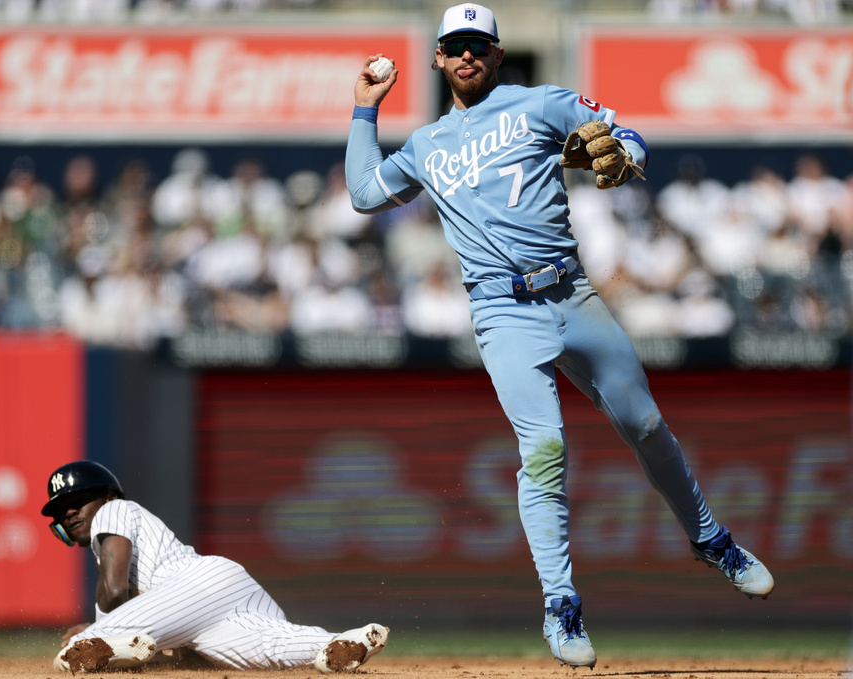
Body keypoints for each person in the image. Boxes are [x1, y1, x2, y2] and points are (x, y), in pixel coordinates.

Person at [344, 2, 773, 669]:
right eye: (454, 46)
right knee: (542, 448)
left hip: (572, 293)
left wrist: (623, 156)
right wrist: (365, 108)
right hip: (502, 311)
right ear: (437, 58)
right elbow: (365, 194)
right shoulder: (427, 145)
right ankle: (560, 601)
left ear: (496, 52)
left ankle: (711, 538)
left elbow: (624, 135)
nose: (466, 56)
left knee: (648, 425)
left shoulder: (539, 103)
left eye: (477, 46)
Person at [41, 460, 388, 674]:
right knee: (273, 648)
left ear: (109, 495)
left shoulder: (113, 511)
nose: (70, 512)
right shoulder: (115, 519)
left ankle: (119, 646)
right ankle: (346, 642)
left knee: (76, 655)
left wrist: (97, 632)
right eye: (62, 510)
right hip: (221, 599)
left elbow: (114, 591)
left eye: (78, 500)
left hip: (195, 585)